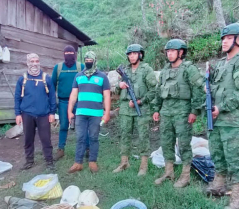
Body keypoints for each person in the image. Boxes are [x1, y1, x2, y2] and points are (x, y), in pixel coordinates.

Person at [205, 23, 239, 209]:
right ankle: (218, 185)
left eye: (228, 38)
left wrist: (222, 107)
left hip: (233, 120)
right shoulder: (220, 64)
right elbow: (217, 88)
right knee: (217, 153)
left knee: (235, 158)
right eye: (223, 38)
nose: (224, 41)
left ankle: (237, 197)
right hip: (216, 120)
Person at [152, 39, 205, 188]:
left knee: (183, 143)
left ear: (181, 53)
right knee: (166, 141)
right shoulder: (164, 71)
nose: (169, 54)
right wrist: (156, 109)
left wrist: (194, 111)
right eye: (168, 51)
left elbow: (198, 90)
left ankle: (185, 175)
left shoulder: (189, 69)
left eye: (172, 51)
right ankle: (169, 172)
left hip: (183, 111)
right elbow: (158, 91)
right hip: (166, 111)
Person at [113, 44, 157, 176]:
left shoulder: (146, 70)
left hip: (141, 108)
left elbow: (154, 90)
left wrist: (140, 101)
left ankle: (143, 166)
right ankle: (124, 162)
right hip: (126, 108)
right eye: (129, 54)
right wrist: (119, 85)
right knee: (125, 134)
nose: (131, 56)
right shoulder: (124, 70)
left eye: (134, 53)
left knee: (143, 136)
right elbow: (116, 90)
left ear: (140, 55)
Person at [67, 51, 111, 173]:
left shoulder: (102, 77)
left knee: (93, 137)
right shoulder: (78, 76)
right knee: (80, 137)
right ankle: (78, 163)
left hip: (96, 114)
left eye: (90, 60)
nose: (88, 62)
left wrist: (106, 112)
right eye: (86, 60)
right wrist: (69, 111)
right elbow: (73, 95)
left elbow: (107, 96)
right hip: (80, 113)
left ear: (95, 60)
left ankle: (92, 162)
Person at [14, 53, 56, 170]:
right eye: (32, 61)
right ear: (27, 63)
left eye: (36, 61)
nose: (34, 64)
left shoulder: (46, 78)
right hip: (27, 114)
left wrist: (52, 113)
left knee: (46, 139)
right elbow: (17, 97)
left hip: (43, 114)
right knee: (28, 139)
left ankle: (49, 161)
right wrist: (18, 114)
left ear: (39, 62)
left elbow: (52, 96)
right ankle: (29, 161)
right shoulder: (22, 79)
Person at [51, 45, 89, 160]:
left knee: (82, 126)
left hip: (79, 102)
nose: (69, 55)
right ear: (63, 55)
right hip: (63, 102)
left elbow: (87, 83)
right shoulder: (58, 68)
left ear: (75, 55)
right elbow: (52, 86)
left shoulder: (81, 67)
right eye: (66, 53)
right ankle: (61, 149)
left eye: (71, 53)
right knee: (63, 126)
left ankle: (88, 148)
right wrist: (53, 103)